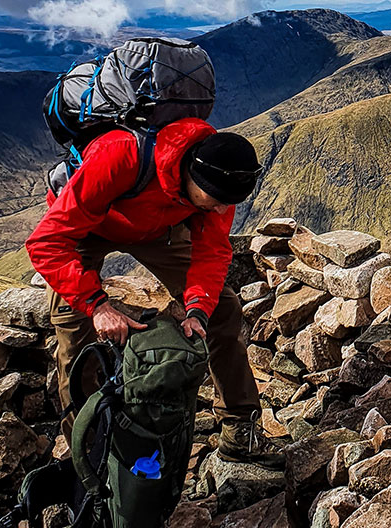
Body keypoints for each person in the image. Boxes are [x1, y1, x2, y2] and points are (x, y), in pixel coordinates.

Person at [25, 118, 285, 469]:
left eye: (230, 203)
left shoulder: (221, 185)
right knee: (75, 336)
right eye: (217, 200)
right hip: (87, 227)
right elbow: (45, 242)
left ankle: (240, 428)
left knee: (221, 308)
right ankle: (87, 452)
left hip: (157, 226)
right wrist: (98, 305)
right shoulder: (120, 156)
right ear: (193, 176)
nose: (224, 210)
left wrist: (197, 309)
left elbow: (212, 252)